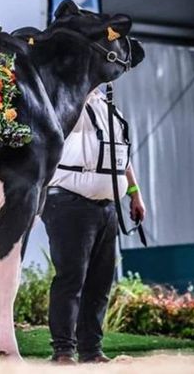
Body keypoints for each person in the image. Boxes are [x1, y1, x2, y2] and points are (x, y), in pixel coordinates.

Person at [41, 88, 146, 364]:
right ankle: (63, 351)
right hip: (68, 201)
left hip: (107, 206)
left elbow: (120, 154)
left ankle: (91, 351)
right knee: (71, 278)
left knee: (100, 283)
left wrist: (135, 193)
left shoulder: (109, 105)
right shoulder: (63, 96)